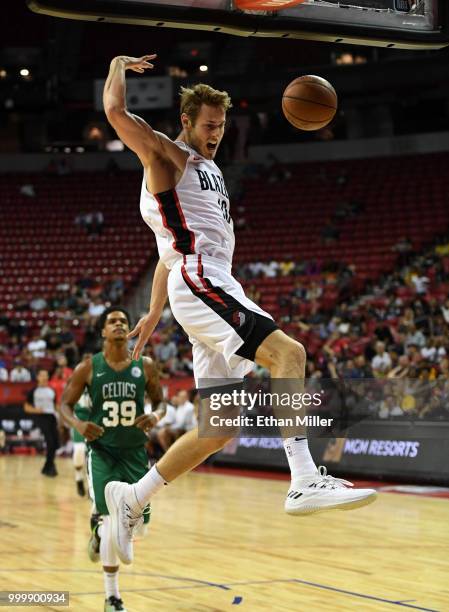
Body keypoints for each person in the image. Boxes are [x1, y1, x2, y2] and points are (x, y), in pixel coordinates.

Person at [102, 54, 376, 564]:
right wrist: (117, 65)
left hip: (202, 279)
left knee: (221, 427)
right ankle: (303, 480)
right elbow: (117, 113)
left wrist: (157, 310)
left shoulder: (207, 169)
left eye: (222, 125)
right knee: (288, 354)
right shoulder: (167, 155)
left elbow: (165, 255)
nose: (217, 133)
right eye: (208, 125)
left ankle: (131, 498)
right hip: (202, 277)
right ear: (185, 122)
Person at [60, 307, 165, 612]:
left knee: (140, 527)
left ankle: (98, 532)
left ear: (130, 330)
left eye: (124, 321)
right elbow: (65, 405)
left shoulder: (145, 365)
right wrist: (78, 425)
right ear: (103, 332)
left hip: (135, 452)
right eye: (112, 322)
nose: (119, 324)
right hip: (103, 452)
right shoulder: (88, 368)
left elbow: (161, 402)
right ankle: (112, 597)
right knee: (109, 522)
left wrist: (156, 414)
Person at [24, 369, 59, 477]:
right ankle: (50, 467)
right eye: (42, 375)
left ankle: (48, 466)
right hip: (41, 417)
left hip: (52, 417)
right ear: (38, 377)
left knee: (56, 443)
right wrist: (36, 410)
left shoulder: (52, 390)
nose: (44, 377)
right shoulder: (33, 391)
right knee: (50, 441)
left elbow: (55, 406)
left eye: (46, 375)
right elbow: (26, 407)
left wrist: (61, 417)